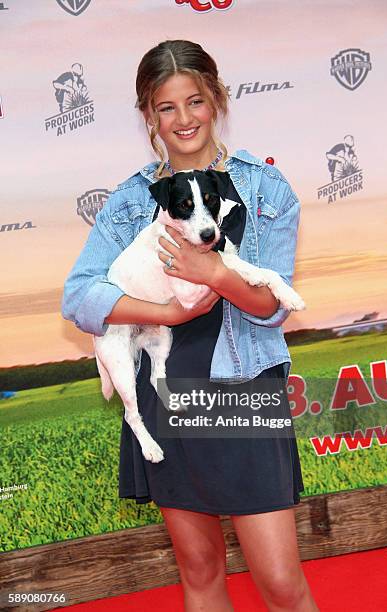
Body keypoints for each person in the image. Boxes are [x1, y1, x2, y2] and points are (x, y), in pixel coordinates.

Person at [62, 39, 318, 611]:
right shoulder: (131, 201)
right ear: (149, 117)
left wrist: (213, 271)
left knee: (278, 580)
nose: (184, 119)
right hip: (164, 393)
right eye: (166, 108)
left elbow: (272, 306)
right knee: (199, 569)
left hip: (245, 388)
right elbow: (79, 298)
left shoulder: (266, 187)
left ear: (217, 100)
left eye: (195, 101)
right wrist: (169, 314)